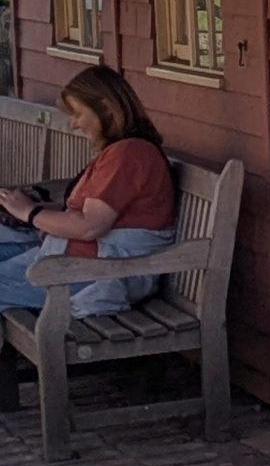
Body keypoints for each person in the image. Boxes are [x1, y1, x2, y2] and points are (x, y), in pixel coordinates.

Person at [0, 67, 181, 316]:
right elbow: (85, 213)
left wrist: (29, 212)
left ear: (105, 107)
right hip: (76, 264)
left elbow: (89, 227)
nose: (73, 124)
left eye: (77, 114)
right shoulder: (121, 152)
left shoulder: (130, 154)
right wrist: (26, 207)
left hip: (100, 275)